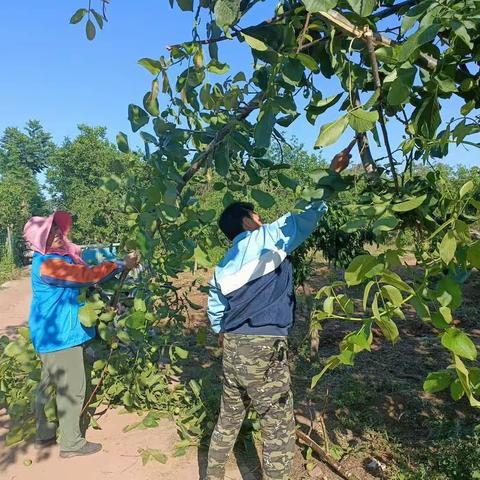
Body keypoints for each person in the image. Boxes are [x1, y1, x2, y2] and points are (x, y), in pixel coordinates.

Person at [205, 149, 351, 480]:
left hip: (234, 348)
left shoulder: (222, 267)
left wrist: (221, 330)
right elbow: (307, 213)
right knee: (276, 426)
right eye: (257, 215)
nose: (262, 218)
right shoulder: (268, 238)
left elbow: (215, 308)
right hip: (265, 345)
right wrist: (332, 172)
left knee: (228, 417)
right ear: (247, 221)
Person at [23, 211, 138, 458]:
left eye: (56, 229)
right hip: (61, 336)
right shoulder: (50, 264)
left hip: (48, 334)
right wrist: (120, 265)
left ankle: (45, 434)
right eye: (48, 232)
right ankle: (71, 444)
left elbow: (84, 263)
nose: (55, 234)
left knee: (48, 385)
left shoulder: (53, 258)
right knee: (72, 388)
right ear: (37, 240)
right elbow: (83, 276)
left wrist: (114, 260)